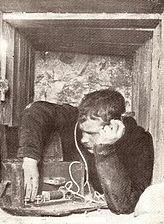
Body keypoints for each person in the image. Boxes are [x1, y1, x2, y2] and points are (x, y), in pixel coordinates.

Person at [17, 88, 154, 214]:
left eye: (91, 133)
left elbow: (125, 206)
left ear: (113, 126)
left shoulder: (138, 141)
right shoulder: (74, 117)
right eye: (82, 132)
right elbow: (35, 110)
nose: (83, 139)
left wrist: (105, 149)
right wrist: (30, 158)